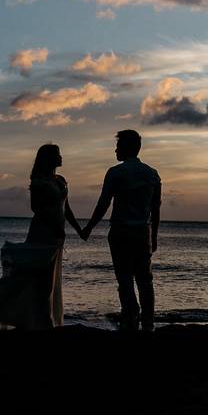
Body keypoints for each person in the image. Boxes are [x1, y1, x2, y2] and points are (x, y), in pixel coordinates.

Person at [0, 144, 84, 329]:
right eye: (57, 154)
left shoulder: (61, 180)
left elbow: (67, 209)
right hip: (43, 233)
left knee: (48, 282)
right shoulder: (39, 180)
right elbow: (36, 208)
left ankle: (41, 321)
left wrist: (80, 231)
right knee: (40, 281)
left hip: (57, 236)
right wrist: (54, 225)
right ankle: (41, 322)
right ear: (48, 158)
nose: (61, 157)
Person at [79, 130, 161, 332]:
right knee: (144, 280)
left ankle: (130, 318)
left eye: (118, 146)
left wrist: (89, 227)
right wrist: (155, 236)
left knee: (124, 279)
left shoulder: (115, 173)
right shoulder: (152, 174)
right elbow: (155, 209)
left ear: (125, 148)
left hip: (121, 233)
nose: (115, 150)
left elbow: (103, 204)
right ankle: (148, 323)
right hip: (143, 232)